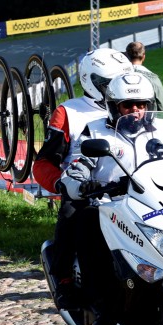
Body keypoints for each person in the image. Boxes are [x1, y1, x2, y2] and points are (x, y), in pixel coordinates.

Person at [59, 72, 163, 325]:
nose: (135, 111)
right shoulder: (96, 131)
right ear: (114, 106)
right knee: (89, 229)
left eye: (142, 105)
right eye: (128, 105)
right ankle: (101, 306)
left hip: (154, 204)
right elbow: (77, 166)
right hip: (110, 204)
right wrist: (83, 183)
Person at [32, 48, 133, 310]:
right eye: (107, 83)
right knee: (72, 213)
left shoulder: (131, 108)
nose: (114, 88)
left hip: (132, 187)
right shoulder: (69, 112)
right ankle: (63, 278)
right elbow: (44, 162)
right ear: (91, 81)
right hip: (85, 187)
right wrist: (63, 184)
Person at [124, 41, 163, 111]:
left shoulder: (119, 76)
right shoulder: (153, 78)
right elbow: (162, 107)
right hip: (148, 119)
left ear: (126, 56)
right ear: (143, 56)